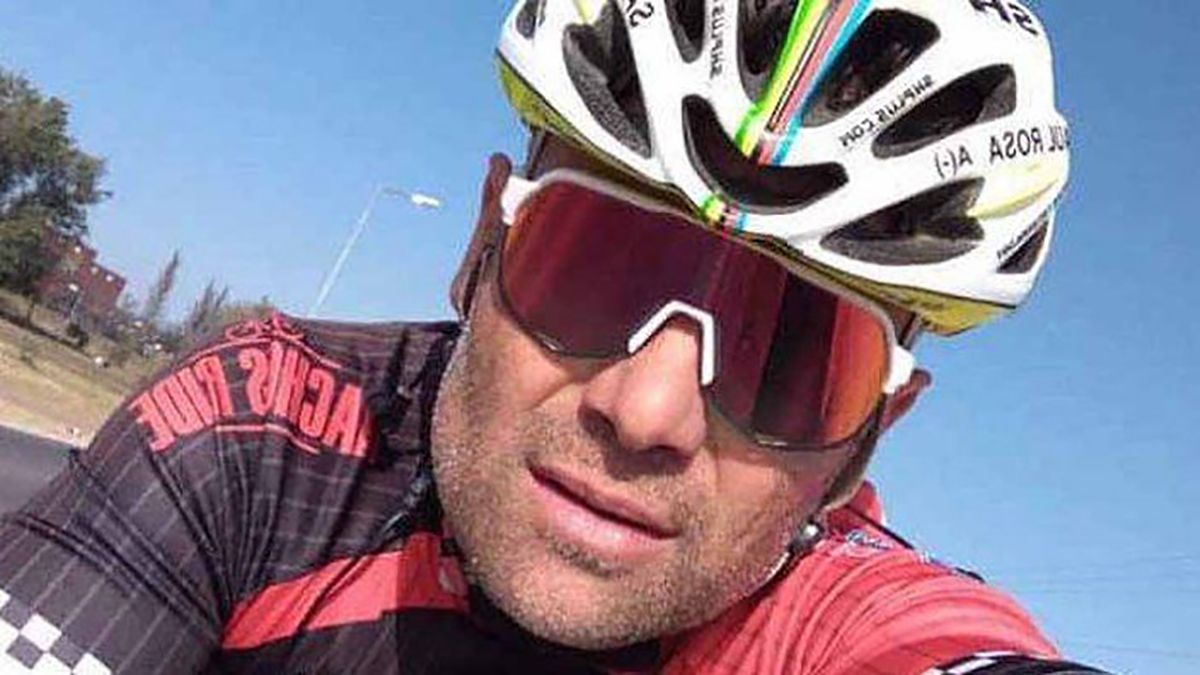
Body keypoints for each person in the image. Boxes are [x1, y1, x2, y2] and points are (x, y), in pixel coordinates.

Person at [0, 1, 1106, 673]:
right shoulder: (266, 433)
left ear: (866, 440)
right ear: (484, 243)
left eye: (791, 361)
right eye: (597, 267)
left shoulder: (839, 624)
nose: (647, 410)